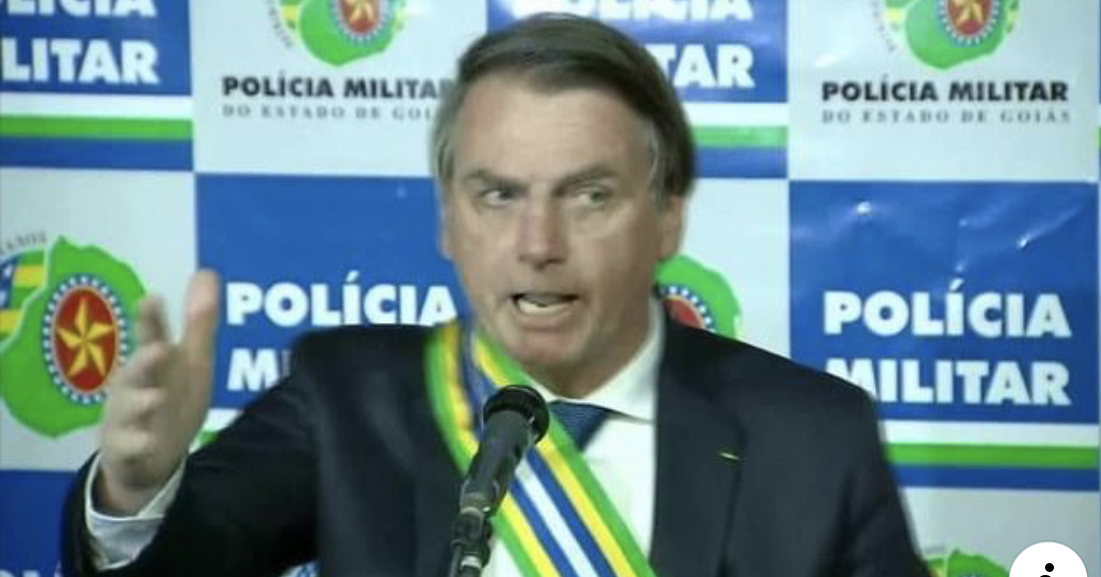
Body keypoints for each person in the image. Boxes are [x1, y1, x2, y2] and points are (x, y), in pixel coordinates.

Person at [61, 13, 926, 577]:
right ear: (448, 220)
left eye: (588, 196)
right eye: (498, 195)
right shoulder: (350, 399)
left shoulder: (812, 436)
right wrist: (135, 491)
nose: (538, 244)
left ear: (666, 217)